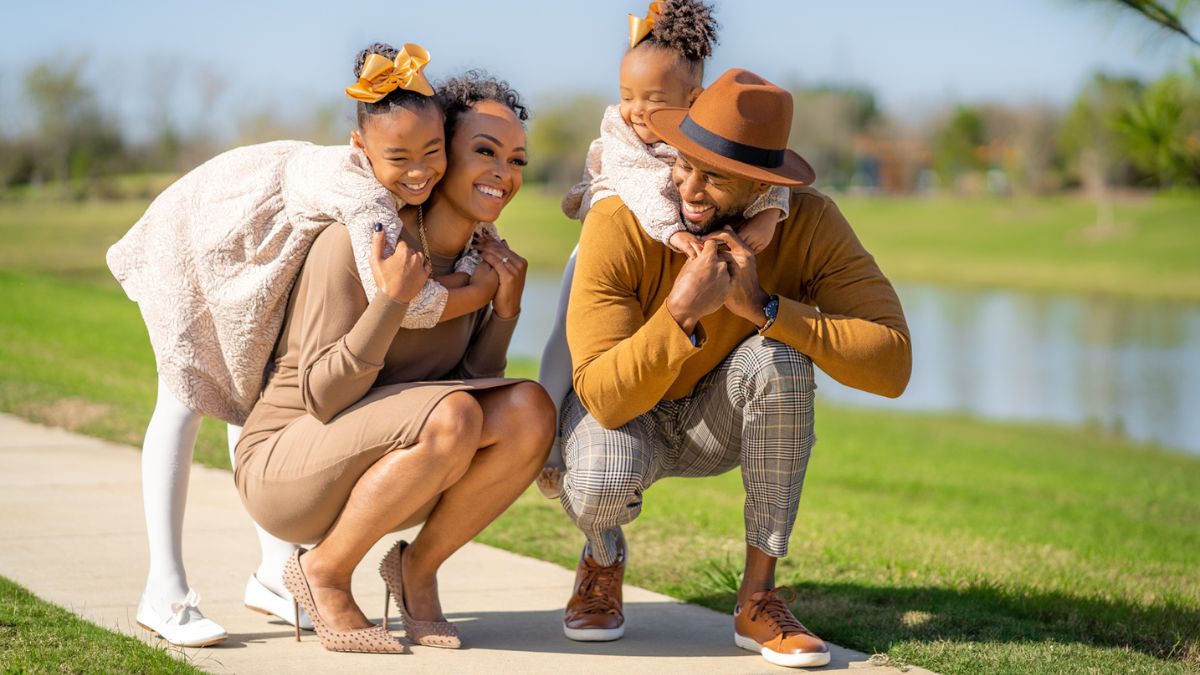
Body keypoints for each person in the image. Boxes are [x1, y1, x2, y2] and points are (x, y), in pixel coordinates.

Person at [108, 42, 502, 647]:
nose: (422, 169)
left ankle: (272, 572)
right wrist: (484, 290)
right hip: (200, 248)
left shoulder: (402, 186)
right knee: (183, 402)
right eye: (400, 156)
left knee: (256, 390)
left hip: (266, 256)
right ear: (359, 148)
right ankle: (164, 591)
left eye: (433, 152)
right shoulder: (363, 197)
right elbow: (408, 301)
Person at [557, 68, 912, 669]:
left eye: (714, 177)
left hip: (714, 423)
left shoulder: (810, 224)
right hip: (624, 413)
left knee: (781, 358)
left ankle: (758, 597)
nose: (688, 189)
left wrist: (766, 310)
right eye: (682, 163)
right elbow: (604, 397)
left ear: (760, 185)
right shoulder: (618, 220)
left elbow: (893, 363)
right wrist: (678, 314)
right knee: (600, 480)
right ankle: (601, 556)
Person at [235, 70, 555, 655]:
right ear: (442, 155)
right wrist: (391, 301)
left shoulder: (480, 261)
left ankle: (416, 571)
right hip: (289, 459)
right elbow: (323, 395)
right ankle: (323, 572)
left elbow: (464, 387)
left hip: (395, 460)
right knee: (453, 415)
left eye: (516, 160)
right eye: (484, 151)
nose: (503, 173)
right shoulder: (360, 244)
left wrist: (502, 308)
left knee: (529, 409)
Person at [537, 0, 790, 498]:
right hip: (611, 230)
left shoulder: (706, 130)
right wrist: (674, 235)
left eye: (651, 98)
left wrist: (770, 212)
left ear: (693, 98)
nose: (634, 109)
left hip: (671, 248)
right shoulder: (622, 132)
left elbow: (759, 168)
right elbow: (640, 186)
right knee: (565, 337)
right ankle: (548, 443)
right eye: (626, 94)